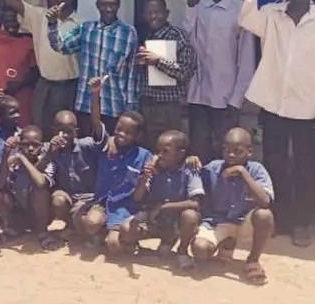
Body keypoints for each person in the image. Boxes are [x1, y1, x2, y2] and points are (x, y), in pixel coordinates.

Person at [239, 0, 315, 247]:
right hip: (273, 106)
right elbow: (245, 18)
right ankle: (279, 219)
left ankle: (302, 222)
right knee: (275, 165)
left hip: (308, 107)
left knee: (307, 167)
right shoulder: (272, 15)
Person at [0, 0, 79, 140]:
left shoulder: (81, 23)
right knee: (40, 127)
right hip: (45, 84)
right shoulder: (39, 16)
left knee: (67, 129)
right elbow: (14, 2)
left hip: (69, 86)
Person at [183, 0, 255, 162]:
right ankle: (199, 192)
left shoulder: (240, 10)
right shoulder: (199, 6)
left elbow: (246, 58)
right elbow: (187, 39)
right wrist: (189, 10)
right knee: (198, 151)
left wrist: (237, 98)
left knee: (227, 151)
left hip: (226, 97)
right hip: (198, 95)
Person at [48, 0, 138, 135]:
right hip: (86, 104)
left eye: (112, 4)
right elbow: (61, 46)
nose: (108, 9)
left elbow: (132, 72)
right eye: (104, 4)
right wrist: (52, 24)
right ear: (97, 5)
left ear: (118, 5)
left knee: (111, 151)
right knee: (87, 150)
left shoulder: (128, 32)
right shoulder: (86, 29)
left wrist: (131, 107)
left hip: (114, 105)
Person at [191, 128, 274, 285]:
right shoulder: (214, 167)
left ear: (249, 152)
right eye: (226, 150)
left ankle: (253, 261)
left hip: (245, 224)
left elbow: (265, 201)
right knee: (200, 250)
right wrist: (192, 162)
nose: (231, 155)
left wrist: (243, 173)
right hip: (218, 221)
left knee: (265, 215)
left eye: (237, 151)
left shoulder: (257, 170)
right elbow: (194, 176)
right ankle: (227, 244)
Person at [86, 78, 153, 254]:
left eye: (128, 132)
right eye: (119, 129)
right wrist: (95, 95)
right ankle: (101, 232)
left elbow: (142, 192)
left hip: (125, 208)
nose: (121, 134)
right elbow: (96, 122)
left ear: (138, 135)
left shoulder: (144, 156)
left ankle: (120, 236)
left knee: (114, 247)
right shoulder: (107, 145)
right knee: (90, 223)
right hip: (102, 203)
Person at [123, 131, 204, 270]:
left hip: (176, 219)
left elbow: (195, 203)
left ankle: (182, 252)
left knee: (190, 216)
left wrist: (163, 207)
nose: (160, 155)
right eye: (158, 150)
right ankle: (165, 240)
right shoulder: (155, 169)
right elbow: (138, 197)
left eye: (165, 151)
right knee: (126, 230)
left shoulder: (190, 170)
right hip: (155, 219)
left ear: (180, 153)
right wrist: (144, 177)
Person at [136, 0, 196, 151]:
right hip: (147, 105)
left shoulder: (178, 36)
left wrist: (158, 61)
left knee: (172, 150)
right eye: (148, 13)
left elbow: (185, 72)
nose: (153, 16)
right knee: (150, 148)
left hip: (170, 108)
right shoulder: (144, 36)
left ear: (167, 13)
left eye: (157, 12)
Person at [40, 110, 99, 247]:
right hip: (67, 196)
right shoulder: (48, 148)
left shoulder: (87, 145)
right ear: (53, 130)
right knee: (57, 201)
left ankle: (83, 230)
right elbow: (37, 171)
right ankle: (72, 226)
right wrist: (49, 153)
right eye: (59, 130)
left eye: (68, 131)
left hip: (88, 198)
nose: (63, 135)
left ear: (76, 132)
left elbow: (104, 143)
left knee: (89, 220)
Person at [0, 125, 52, 249]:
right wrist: (5, 155)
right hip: (20, 211)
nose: (30, 148)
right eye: (26, 144)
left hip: (40, 214)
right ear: (19, 145)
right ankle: (13, 228)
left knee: (41, 192)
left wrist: (22, 159)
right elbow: (0, 185)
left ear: (41, 145)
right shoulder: (13, 160)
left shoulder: (47, 161)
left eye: (35, 145)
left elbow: (40, 183)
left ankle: (42, 231)